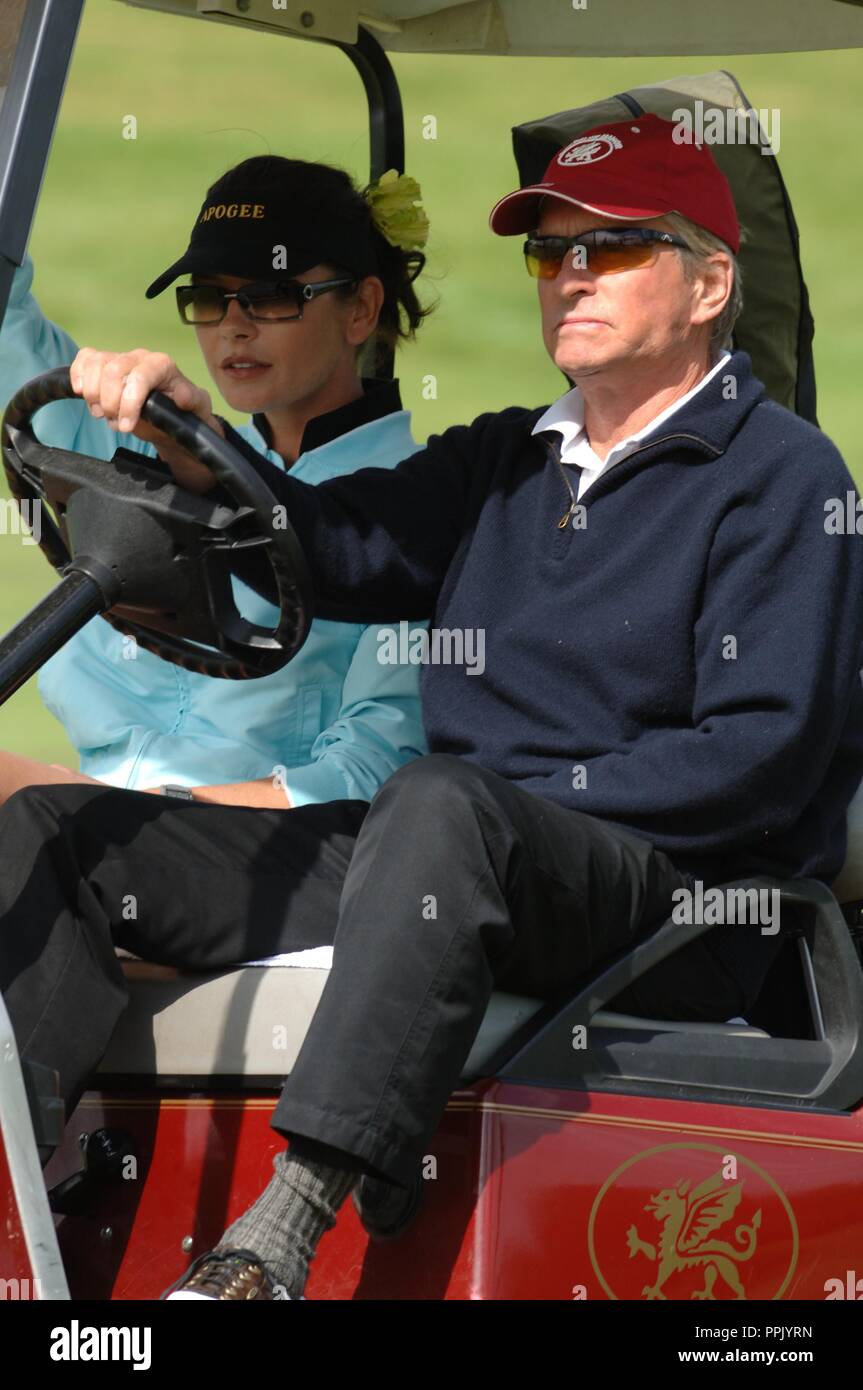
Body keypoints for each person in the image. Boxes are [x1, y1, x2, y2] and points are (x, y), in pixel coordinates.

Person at [2, 115, 862, 1301]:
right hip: (458, 852)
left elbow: (757, 760)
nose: (570, 278)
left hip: (671, 895)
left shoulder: (783, 479)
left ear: (709, 280)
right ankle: (11, 1211)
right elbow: (329, 537)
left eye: (610, 251)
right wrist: (188, 443)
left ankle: (278, 1238)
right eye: (550, 253)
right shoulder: (507, 457)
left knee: (436, 803)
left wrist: (514, 808)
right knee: (58, 832)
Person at [0, 154, 430, 810]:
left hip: (243, 867)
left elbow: (376, 767)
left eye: (271, 295)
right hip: (88, 820)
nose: (233, 323)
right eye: (208, 297)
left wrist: (126, 815)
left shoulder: (416, 511)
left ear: (359, 309)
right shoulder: (163, 447)